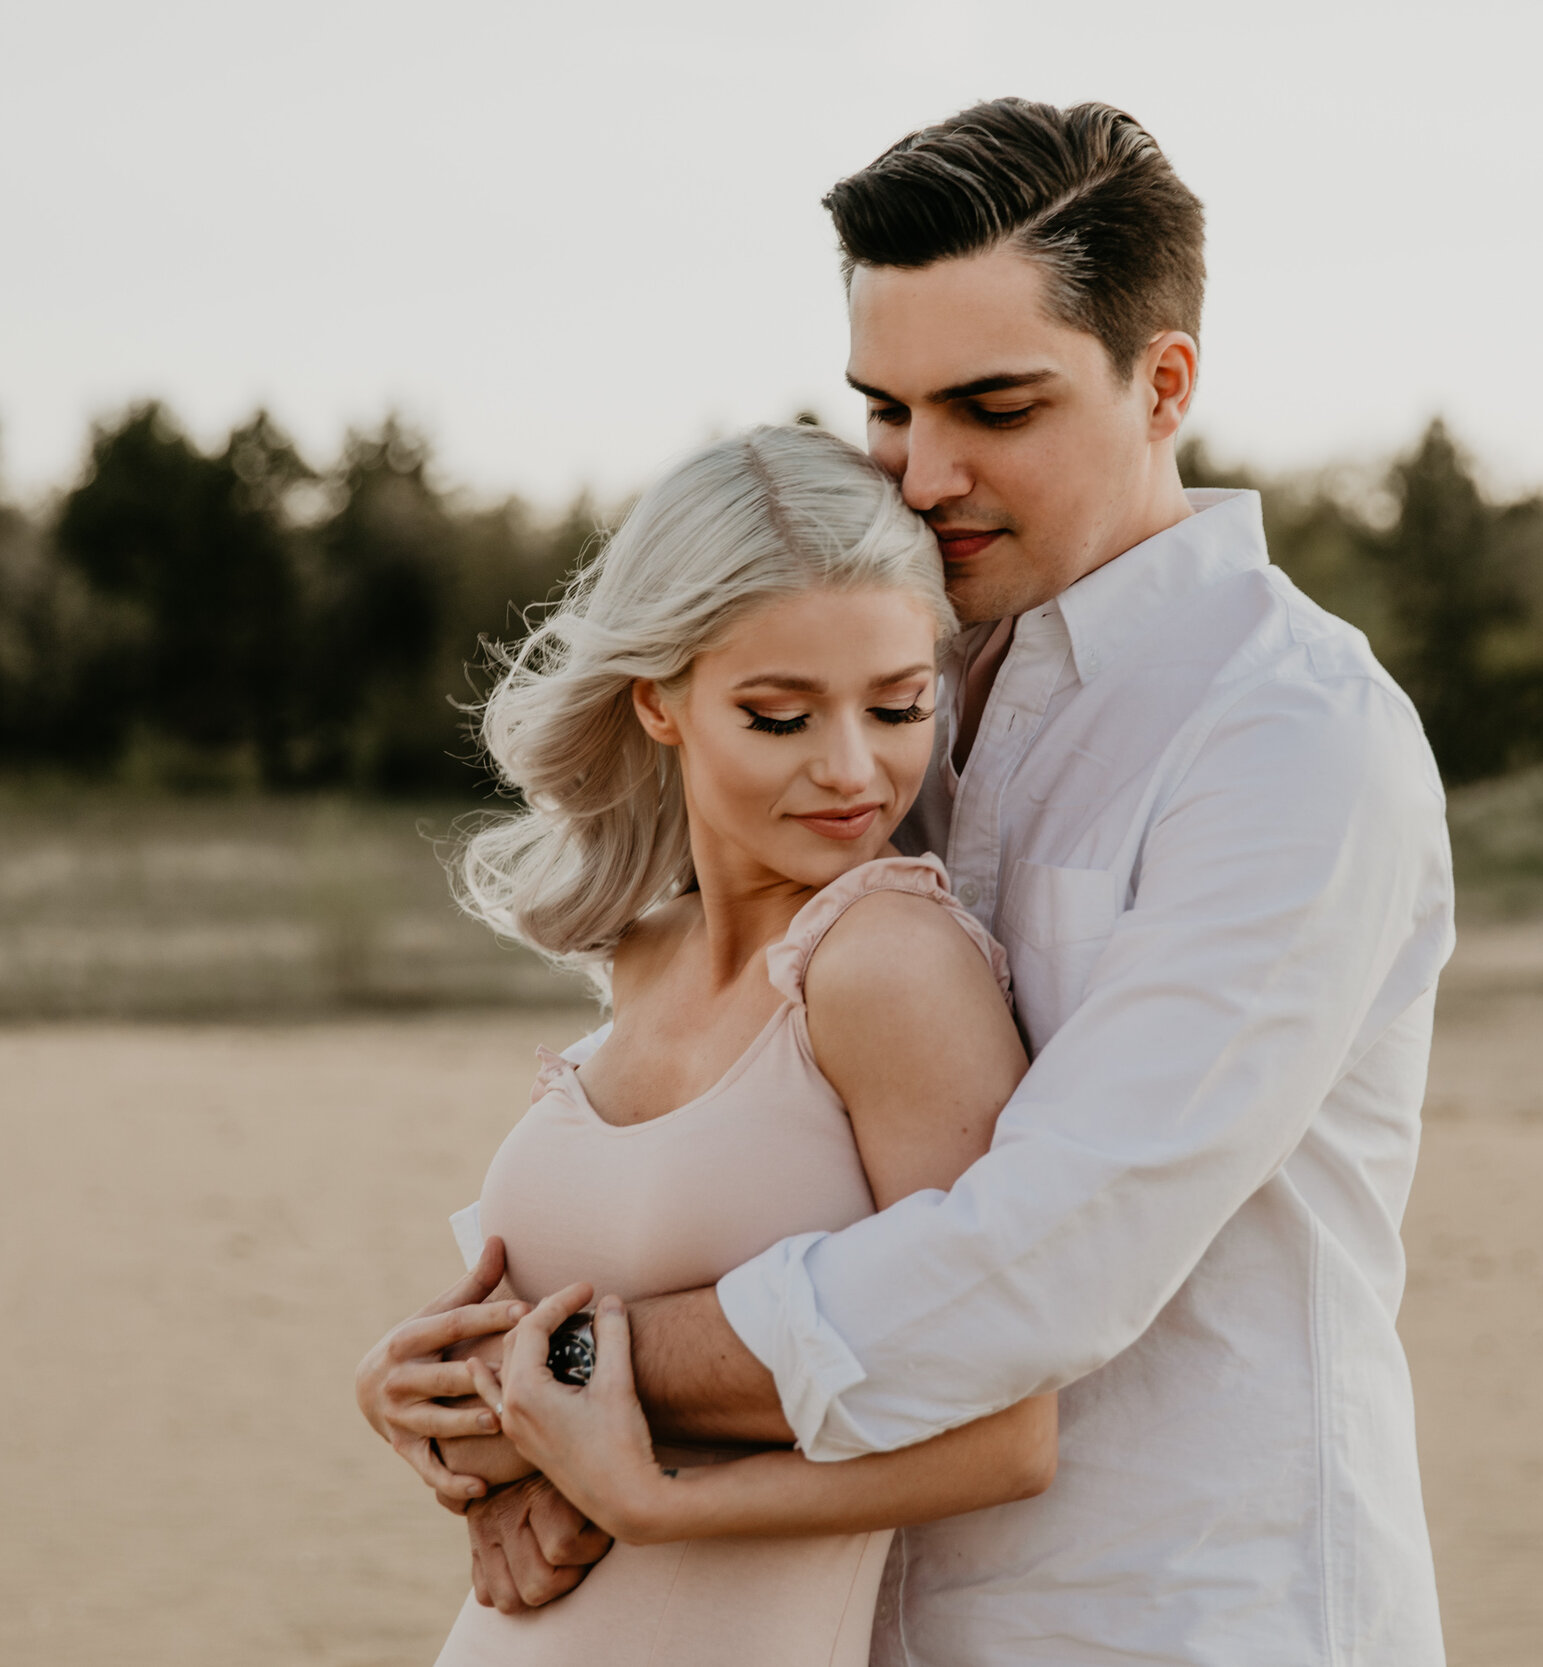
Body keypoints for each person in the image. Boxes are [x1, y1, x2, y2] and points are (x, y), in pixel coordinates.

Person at [365, 98, 1455, 1665]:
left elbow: (1052, 1248)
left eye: (995, 408)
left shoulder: (1291, 740)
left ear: (1166, 384)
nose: (924, 472)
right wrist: (466, 1386)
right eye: (887, 407)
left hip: (1177, 1611)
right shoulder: (888, 684)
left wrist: (570, 1365)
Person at [375, 423, 1053, 1665]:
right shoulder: (641, 955)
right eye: (780, 716)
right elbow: (554, 1343)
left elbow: (1007, 1431)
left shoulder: (888, 964)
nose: (855, 771)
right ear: (660, 701)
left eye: (900, 704)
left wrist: (656, 1501)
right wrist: (424, 1398)